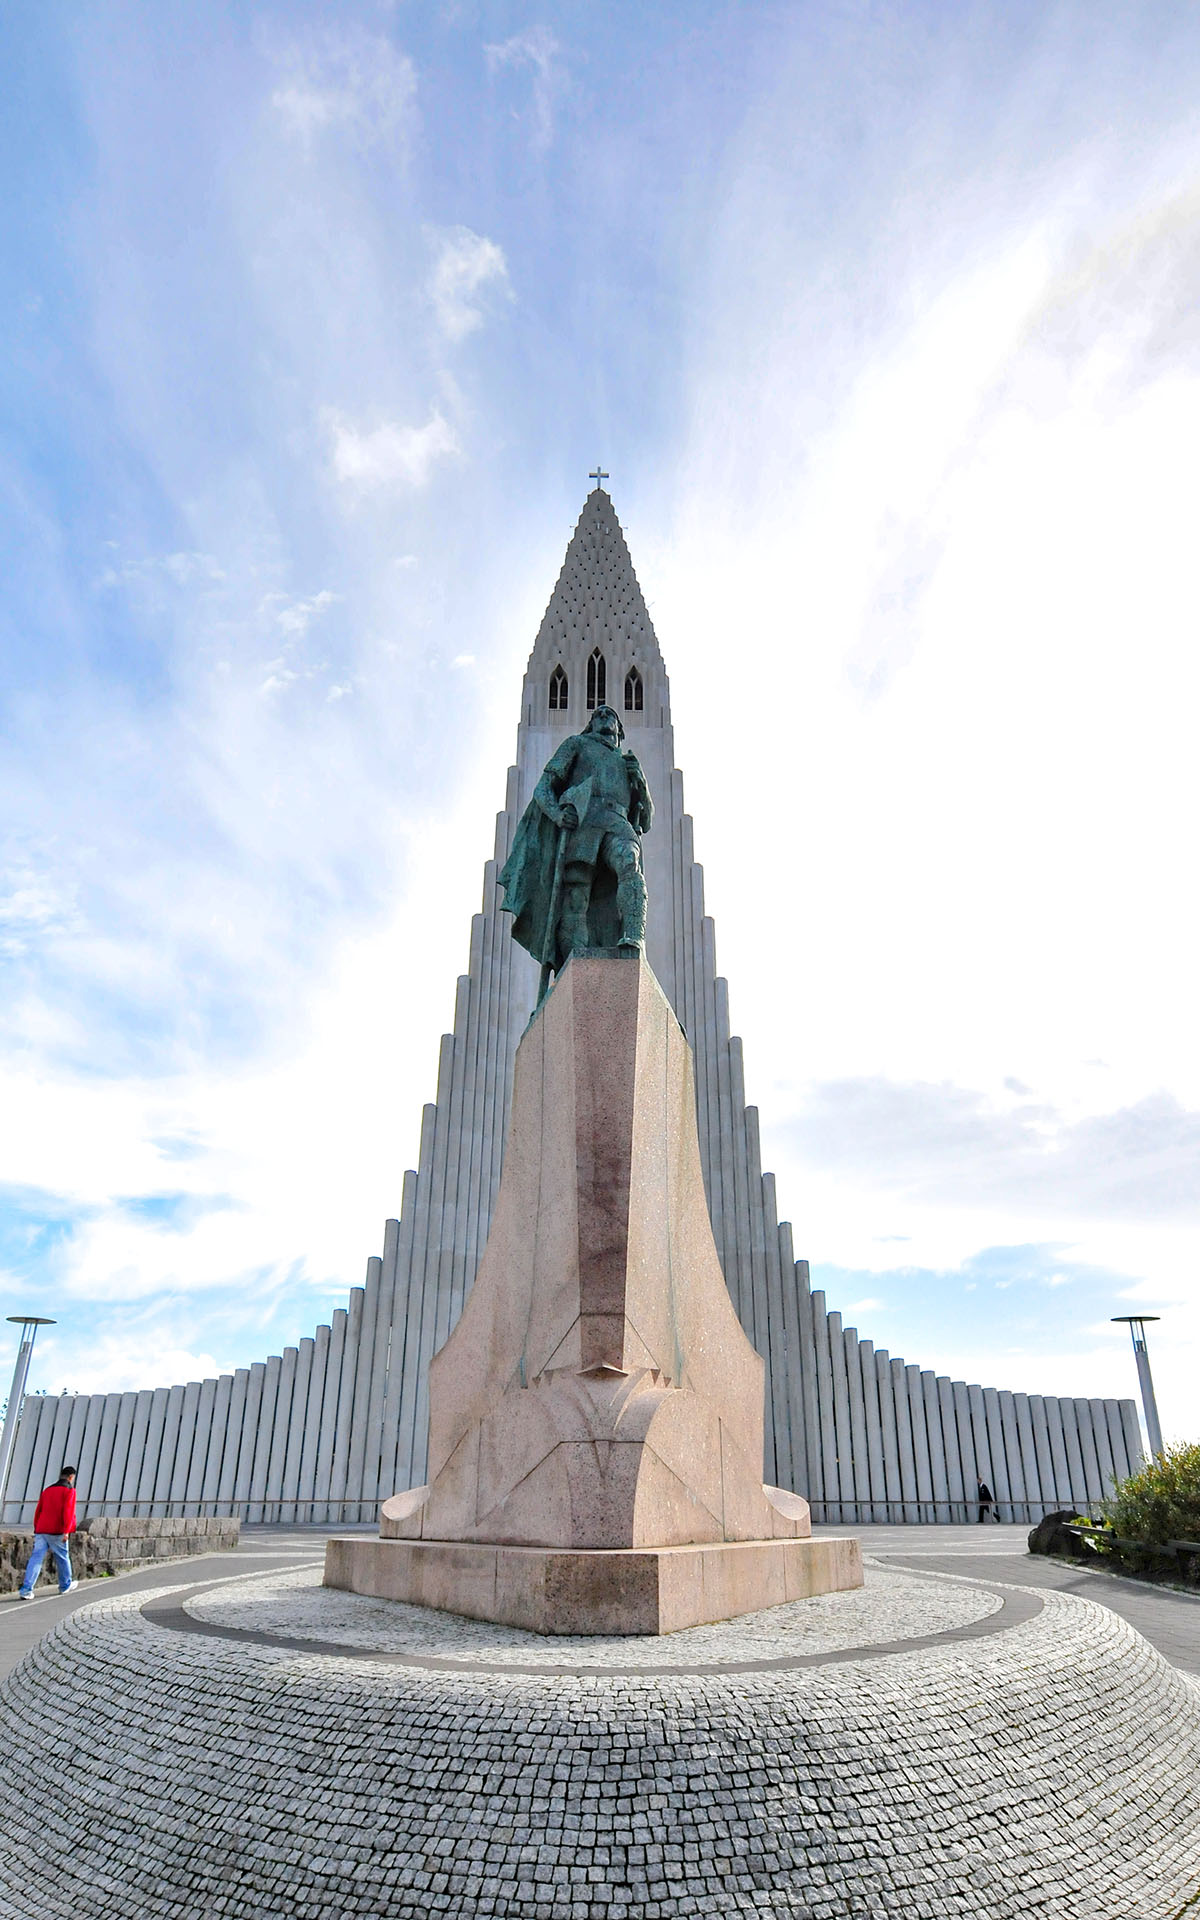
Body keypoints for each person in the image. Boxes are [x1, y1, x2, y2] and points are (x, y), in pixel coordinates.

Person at [499, 704, 653, 989]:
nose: (604, 717)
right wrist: (558, 814)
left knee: (628, 863)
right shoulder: (576, 745)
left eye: (610, 715)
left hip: (618, 822)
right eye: (598, 715)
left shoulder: (628, 763)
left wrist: (640, 783)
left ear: (620, 729)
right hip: (584, 824)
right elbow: (544, 787)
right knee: (575, 898)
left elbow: (645, 820)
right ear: (591, 724)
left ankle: (634, 937)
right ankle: (574, 969)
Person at [17, 1464, 77, 1598]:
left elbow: (39, 1510)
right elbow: (68, 1512)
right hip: (57, 1530)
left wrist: (37, 1527)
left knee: (36, 1558)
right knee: (62, 1557)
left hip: (41, 1529)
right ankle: (65, 1585)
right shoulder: (69, 1491)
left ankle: (26, 1589)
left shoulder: (47, 1490)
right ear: (71, 1477)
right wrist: (66, 1531)